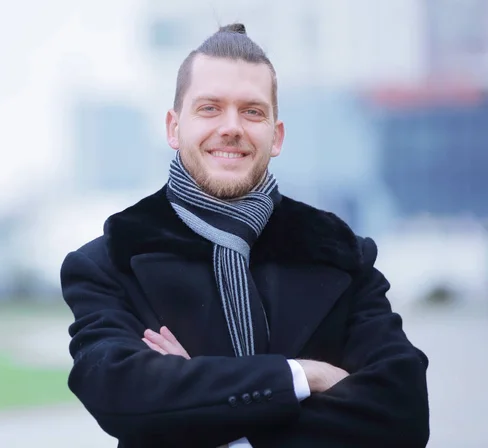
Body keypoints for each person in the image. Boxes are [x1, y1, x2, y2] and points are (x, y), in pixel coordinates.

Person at [60, 23, 430, 448]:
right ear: (172, 128)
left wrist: (199, 407)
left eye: (252, 111)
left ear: (277, 136)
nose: (231, 127)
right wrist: (303, 375)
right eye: (210, 108)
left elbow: (403, 415)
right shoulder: (109, 260)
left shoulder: (341, 252)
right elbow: (119, 393)